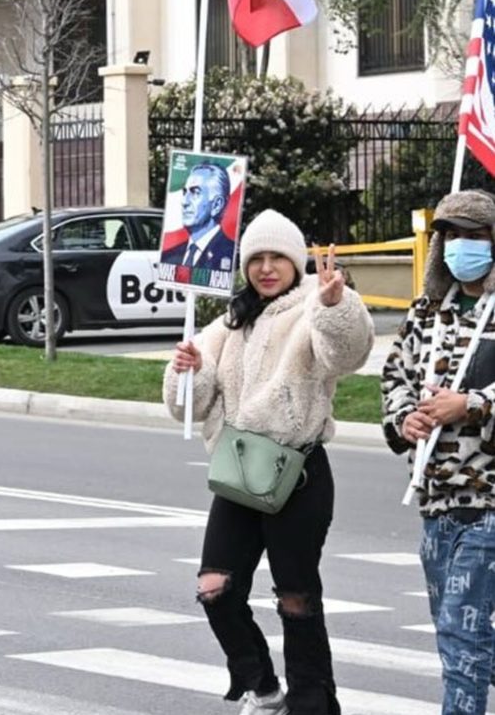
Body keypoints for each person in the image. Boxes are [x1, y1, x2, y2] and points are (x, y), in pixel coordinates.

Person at [163, 209, 374, 715]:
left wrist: (333, 304)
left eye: (277, 256)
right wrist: (188, 372)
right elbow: (184, 408)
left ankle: (312, 702)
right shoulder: (229, 321)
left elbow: (347, 355)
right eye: (255, 258)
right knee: (214, 587)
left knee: (296, 598)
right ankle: (261, 686)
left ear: (296, 260)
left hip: (297, 476)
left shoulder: (315, 306)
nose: (266, 267)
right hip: (238, 475)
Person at [381, 189, 495, 715]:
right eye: (452, 236)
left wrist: (471, 404)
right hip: (435, 501)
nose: (461, 246)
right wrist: (405, 417)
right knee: (458, 630)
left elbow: (473, 400)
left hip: (489, 501)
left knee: (459, 627)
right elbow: (396, 375)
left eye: (475, 236)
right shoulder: (427, 311)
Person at [162, 161, 236, 271]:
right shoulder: (169, 257)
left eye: (195, 192)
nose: (184, 202)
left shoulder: (231, 255)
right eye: (184, 192)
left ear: (216, 205)